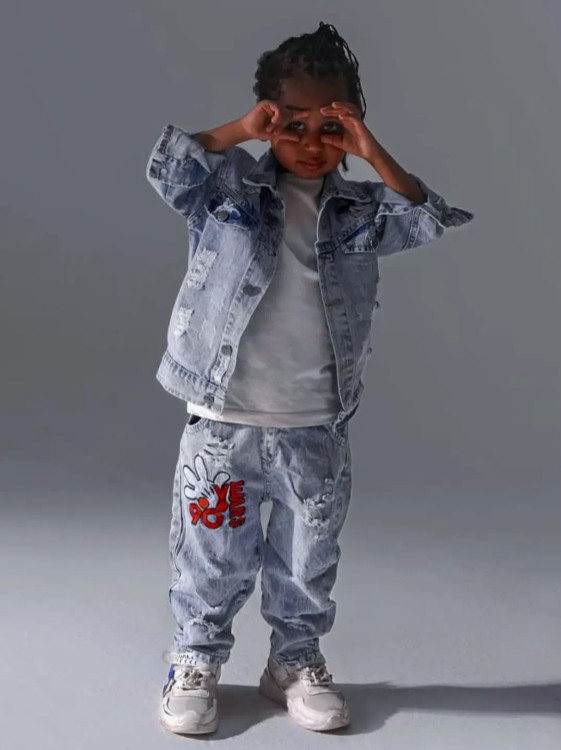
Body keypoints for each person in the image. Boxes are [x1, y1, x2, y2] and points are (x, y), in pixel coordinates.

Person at [146, 21, 474, 736]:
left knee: (306, 560)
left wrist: (370, 150)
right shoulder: (229, 189)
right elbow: (170, 167)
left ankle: (293, 661)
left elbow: (428, 216)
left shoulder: (359, 210)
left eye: (330, 127)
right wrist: (240, 130)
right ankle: (195, 659)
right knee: (211, 555)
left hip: (314, 426)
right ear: (269, 120)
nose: (310, 142)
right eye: (291, 124)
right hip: (224, 420)